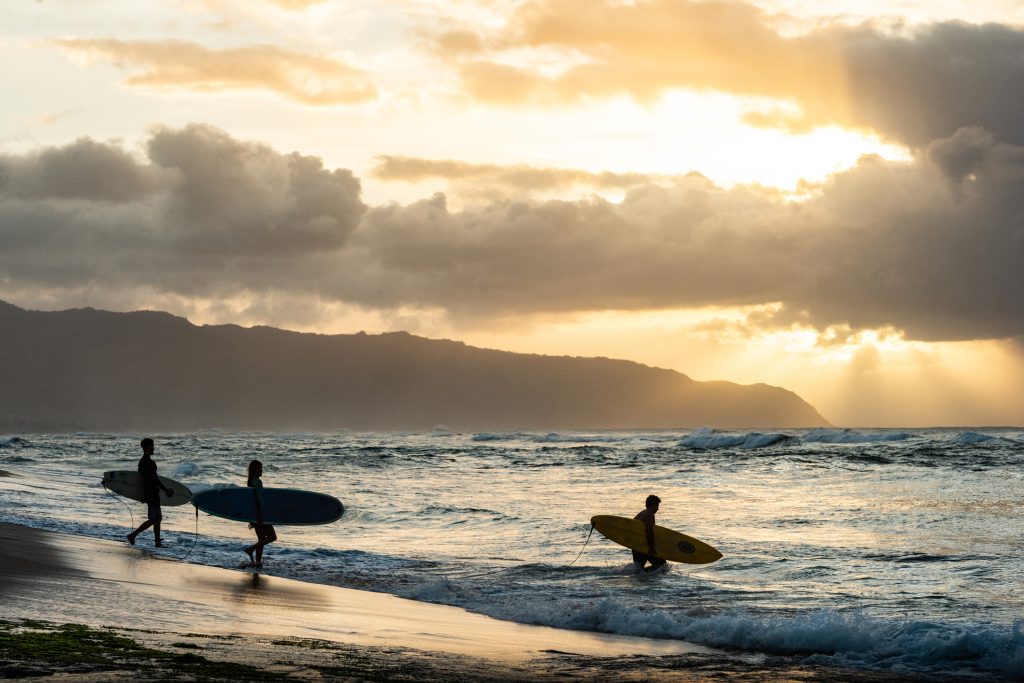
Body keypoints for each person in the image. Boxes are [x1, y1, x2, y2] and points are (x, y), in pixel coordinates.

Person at [127, 437, 173, 547]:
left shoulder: (142, 462)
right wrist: (165, 490)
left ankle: (157, 542)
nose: (154, 448)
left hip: (150, 492)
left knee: (158, 517)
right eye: (152, 446)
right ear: (148, 447)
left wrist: (143, 494)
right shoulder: (149, 463)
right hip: (151, 493)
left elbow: (142, 480)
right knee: (154, 519)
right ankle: (133, 535)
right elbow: (153, 480)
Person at [243, 459, 276, 567]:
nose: (262, 471)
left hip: (253, 514)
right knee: (272, 537)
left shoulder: (250, 481)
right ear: (256, 470)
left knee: (261, 540)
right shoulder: (257, 481)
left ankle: (257, 562)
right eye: (261, 468)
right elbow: (259, 499)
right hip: (259, 514)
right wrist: (261, 514)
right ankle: (250, 549)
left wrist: (252, 517)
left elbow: (251, 501)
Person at [632, 494, 666, 572]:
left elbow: (632, 528)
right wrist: (651, 547)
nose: (658, 509)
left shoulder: (642, 513)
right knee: (662, 565)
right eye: (657, 506)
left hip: (636, 546)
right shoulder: (650, 514)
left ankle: (643, 580)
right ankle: (647, 576)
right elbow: (649, 531)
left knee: (638, 569)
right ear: (653, 504)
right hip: (644, 546)